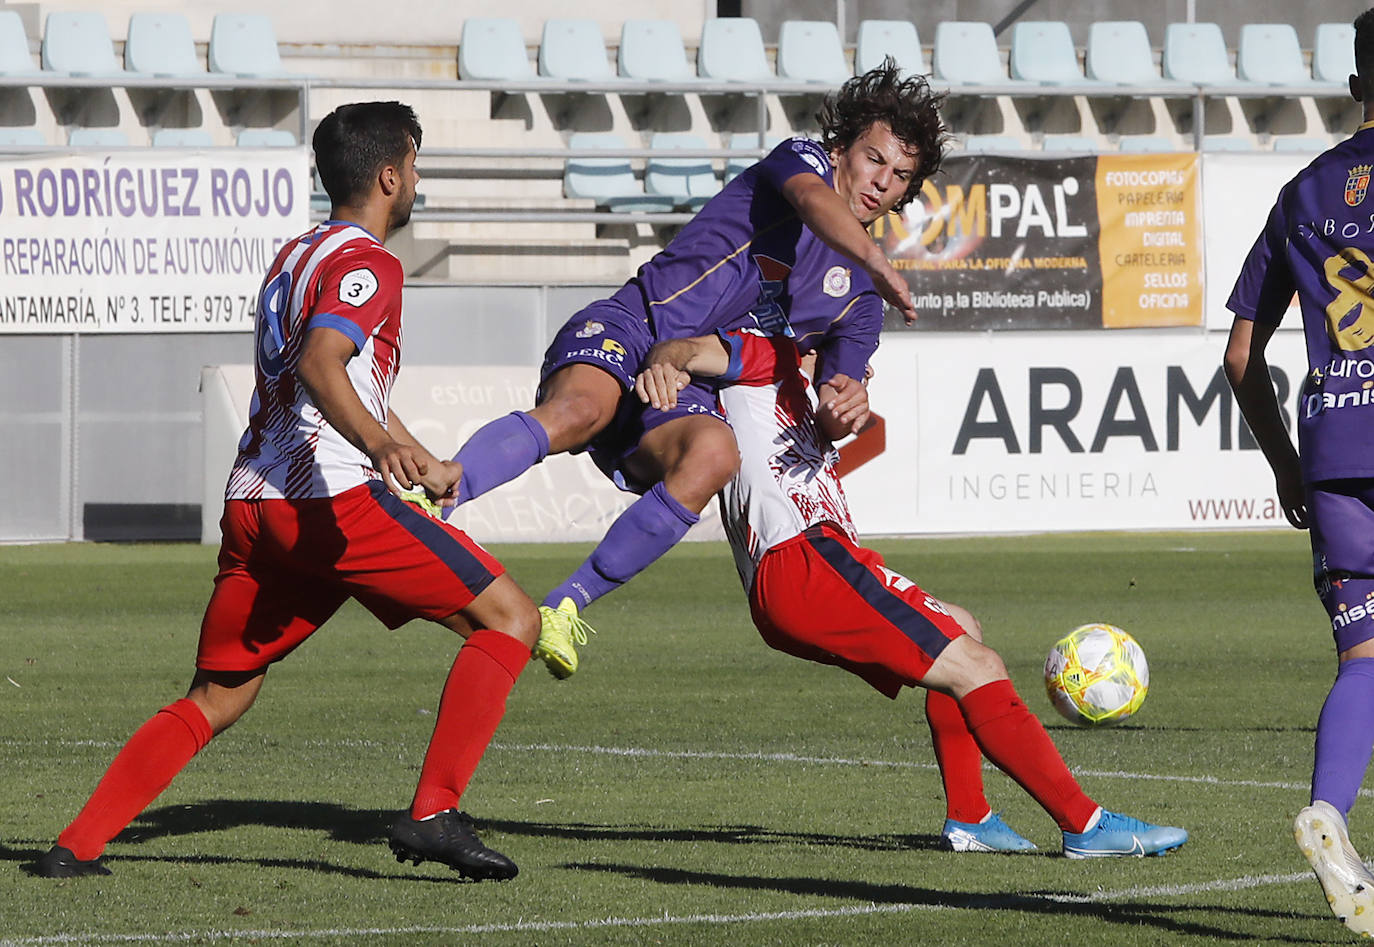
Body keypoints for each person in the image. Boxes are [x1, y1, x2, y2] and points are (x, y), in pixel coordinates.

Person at [33, 102, 539, 882]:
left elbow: (340, 372)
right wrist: (381, 445)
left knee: (219, 693)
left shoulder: (295, 254)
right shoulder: (373, 264)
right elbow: (321, 363)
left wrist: (417, 451)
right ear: (390, 174)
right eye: (415, 169)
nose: (416, 186)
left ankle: (76, 845)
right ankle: (435, 811)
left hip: (253, 507)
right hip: (327, 507)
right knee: (511, 617)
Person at [445, 60, 946, 678]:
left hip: (692, 382)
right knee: (583, 409)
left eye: (900, 177)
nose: (882, 182)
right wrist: (874, 255)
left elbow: (836, 387)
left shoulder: (862, 296)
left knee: (716, 455)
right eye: (874, 159)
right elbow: (815, 203)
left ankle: (564, 605)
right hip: (636, 325)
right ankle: (439, 493)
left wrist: (848, 405)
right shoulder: (800, 163)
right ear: (841, 147)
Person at [635, 327, 1190, 857]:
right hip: (803, 559)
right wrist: (667, 359)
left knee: (962, 628)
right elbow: (690, 351)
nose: (856, 366)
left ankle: (969, 818)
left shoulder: (799, 387)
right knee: (978, 664)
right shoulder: (762, 356)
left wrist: (833, 402)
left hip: (812, 563)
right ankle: (1085, 825)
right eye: (849, 352)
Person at [1224, 8, 1374, 935]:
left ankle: (1331, 815)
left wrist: (1285, 461)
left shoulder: (1306, 189)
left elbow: (1244, 352)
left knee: (1365, 652)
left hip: (1333, 446)